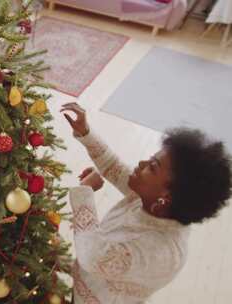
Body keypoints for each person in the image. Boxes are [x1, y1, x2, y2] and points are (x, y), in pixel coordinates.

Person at [61, 103, 231, 304]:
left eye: (152, 167)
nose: (141, 164)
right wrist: (86, 133)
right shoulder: (148, 200)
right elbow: (113, 167)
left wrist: (85, 194)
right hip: (81, 288)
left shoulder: (163, 252)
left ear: (166, 196)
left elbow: (93, 256)